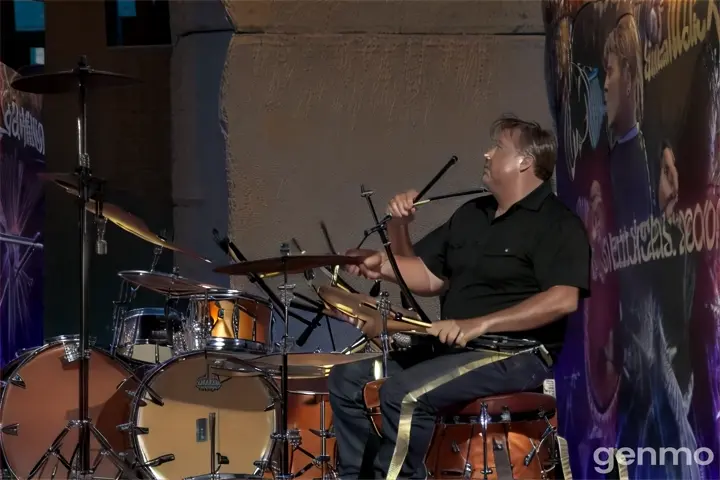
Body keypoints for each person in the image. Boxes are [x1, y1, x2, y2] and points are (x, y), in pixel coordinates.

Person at [327, 114, 592, 480]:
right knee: (347, 379)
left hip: (514, 353)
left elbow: (563, 299)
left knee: (405, 393)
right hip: (456, 351)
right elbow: (428, 277)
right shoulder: (471, 214)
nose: (486, 154)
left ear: (525, 161)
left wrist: (478, 323)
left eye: (497, 147)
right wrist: (379, 264)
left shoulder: (557, 223)